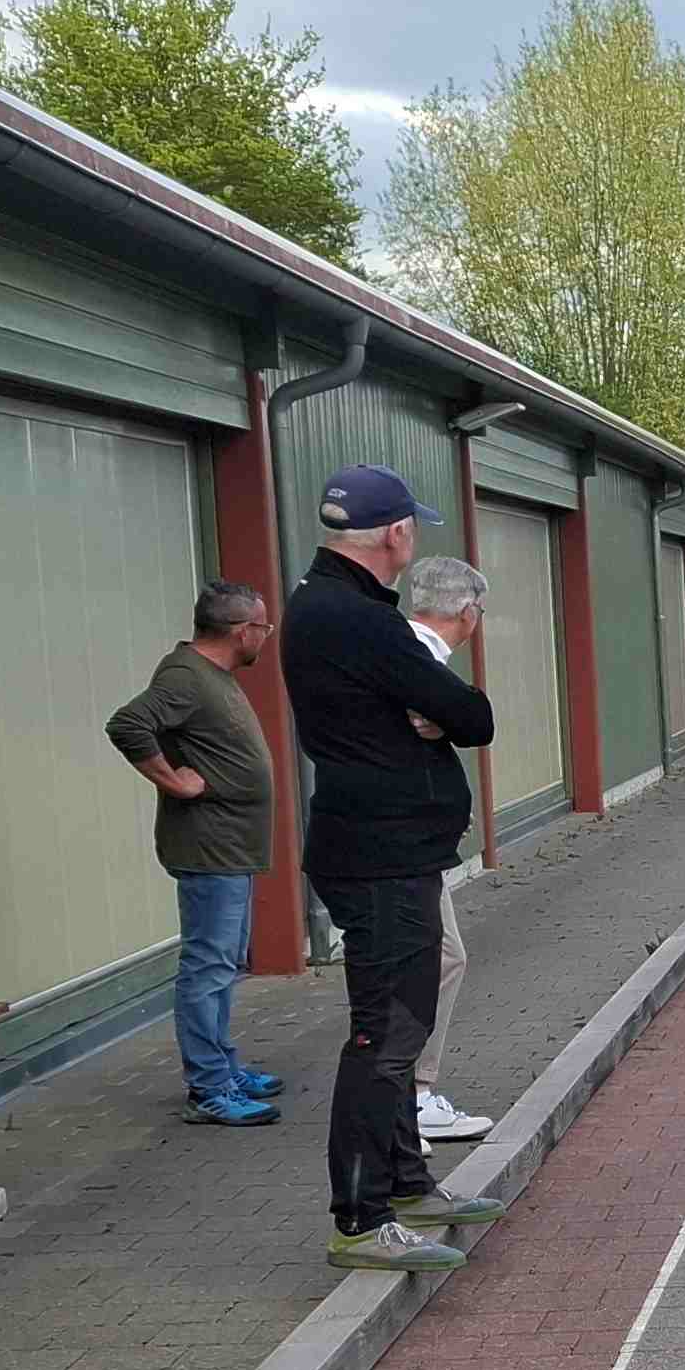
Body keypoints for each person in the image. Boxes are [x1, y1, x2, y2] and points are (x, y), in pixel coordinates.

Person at [280, 464, 508, 1273]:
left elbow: (438, 712)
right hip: (381, 858)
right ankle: (361, 1216)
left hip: (386, 851)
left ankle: (408, 1183)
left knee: (401, 1032)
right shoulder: (358, 619)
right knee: (386, 1035)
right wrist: (433, 716)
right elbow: (471, 715)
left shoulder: (327, 607)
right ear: (398, 534)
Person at [106, 578, 282, 1128]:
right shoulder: (185, 676)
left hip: (230, 847)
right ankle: (209, 1088)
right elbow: (128, 724)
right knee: (207, 967)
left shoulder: (211, 675)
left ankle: (224, 1068)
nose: (267, 636)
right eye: (264, 626)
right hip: (209, 847)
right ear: (241, 630)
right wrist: (173, 781)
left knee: (223, 965)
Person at [396, 555, 495, 1147]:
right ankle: (411, 1095)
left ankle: (411, 1092)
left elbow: (462, 720)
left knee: (440, 958)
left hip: (416, 839)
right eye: (479, 609)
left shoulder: (413, 655)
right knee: (434, 959)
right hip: (402, 844)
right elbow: (475, 719)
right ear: (467, 611)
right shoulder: (416, 656)